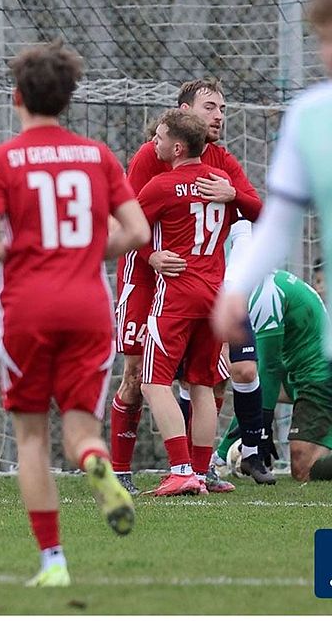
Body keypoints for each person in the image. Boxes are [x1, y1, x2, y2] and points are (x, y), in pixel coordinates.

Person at [0, 42, 149, 587]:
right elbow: (138, 232)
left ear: (16, 97)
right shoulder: (98, 156)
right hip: (89, 307)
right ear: (68, 98)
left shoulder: (0, 160)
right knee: (80, 431)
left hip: (28, 307)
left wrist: (20, 244)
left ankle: (53, 563)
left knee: (31, 438)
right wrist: (90, 247)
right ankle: (96, 462)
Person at [111, 78, 273, 493]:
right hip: (149, 277)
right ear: (185, 113)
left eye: (222, 107)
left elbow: (258, 209)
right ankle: (121, 470)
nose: (219, 115)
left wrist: (233, 191)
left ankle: (193, 470)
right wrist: (149, 257)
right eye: (210, 107)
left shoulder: (220, 162)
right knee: (135, 374)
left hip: (184, 286)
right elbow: (131, 222)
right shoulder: (151, 156)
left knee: (192, 378)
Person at [213, 0, 332, 471]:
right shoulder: (309, 117)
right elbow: (277, 223)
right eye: (323, 38)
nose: (327, 52)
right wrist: (235, 290)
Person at [216, 270, 332, 480]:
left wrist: (262, 428)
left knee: (303, 468)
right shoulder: (252, 288)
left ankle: (220, 458)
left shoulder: (265, 294)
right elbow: (253, 387)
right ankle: (219, 458)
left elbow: (270, 369)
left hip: (318, 376)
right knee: (250, 388)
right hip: (297, 375)